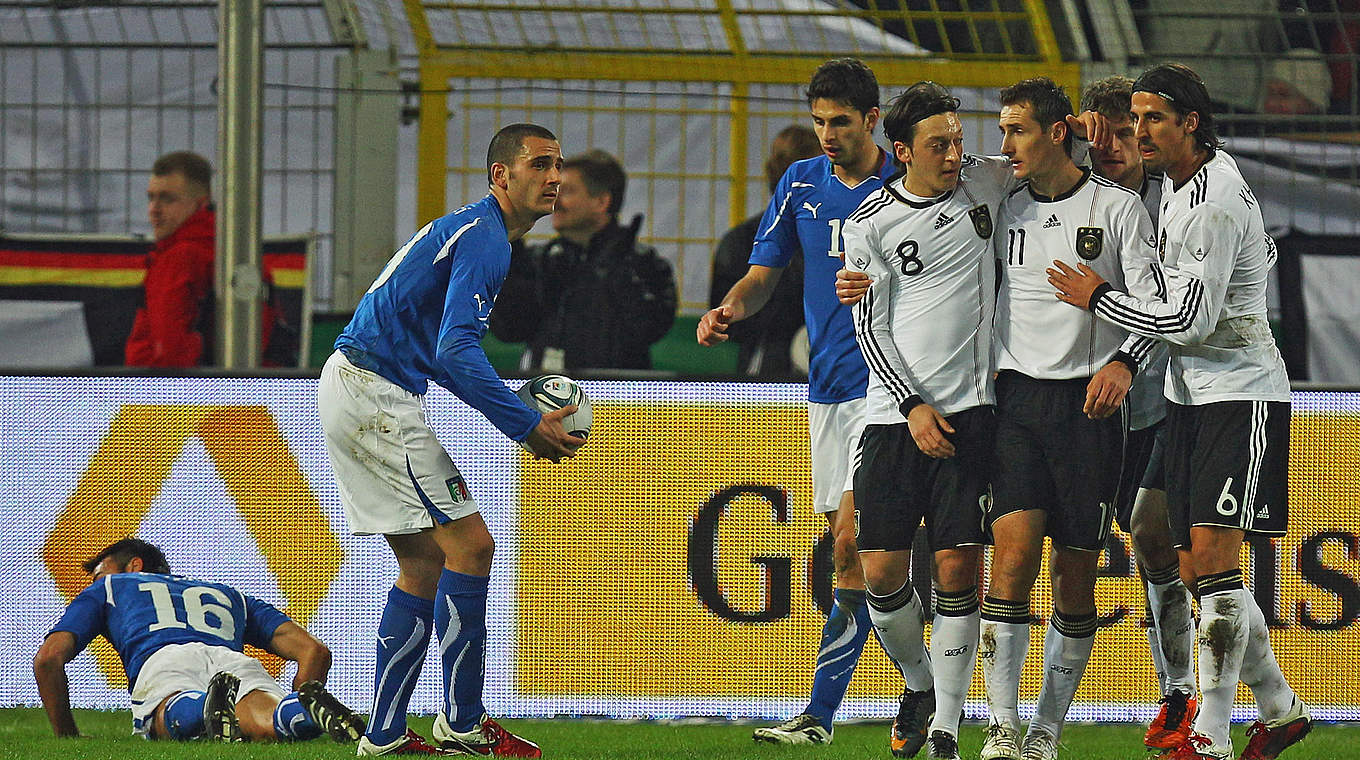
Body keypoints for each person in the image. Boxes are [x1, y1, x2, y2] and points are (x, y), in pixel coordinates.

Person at [1048, 62, 1313, 760]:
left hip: (1239, 393)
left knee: (1219, 573)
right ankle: (1280, 709)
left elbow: (1191, 320)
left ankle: (1210, 736)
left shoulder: (1213, 199)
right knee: (1181, 555)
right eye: (1132, 121)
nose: (1138, 134)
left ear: (1190, 122)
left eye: (1153, 120)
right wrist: (1077, 128)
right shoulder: (1181, 182)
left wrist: (1098, 299)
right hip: (1190, 396)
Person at [318, 122, 585, 757]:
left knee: (424, 561)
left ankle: (383, 736)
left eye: (558, 165)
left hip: (361, 386)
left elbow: (442, 354)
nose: (554, 177)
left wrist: (516, 403)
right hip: (374, 393)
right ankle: (463, 725)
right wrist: (524, 423)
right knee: (473, 544)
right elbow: (456, 348)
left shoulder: (472, 231)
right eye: (540, 165)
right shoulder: (488, 241)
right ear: (503, 175)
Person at [698, 58, 936, 754]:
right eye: (818, 121)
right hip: (828, 390)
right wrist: (730, 308)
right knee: (853, 562)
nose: (827, 134)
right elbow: (763, 274)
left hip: (894, 389)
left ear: (871, 119)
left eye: (840, 121)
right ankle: (916, 689)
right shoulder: (799, 184)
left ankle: (825, 712)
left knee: (852, 547)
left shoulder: (911, 182)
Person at [978, 76, 1160, 760]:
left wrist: (1126, 363)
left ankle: (1047, 730)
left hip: (1089, 410)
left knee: (1074, 575)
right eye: (1002, 131)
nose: (1006, 145)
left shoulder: (1116, 209)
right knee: (1014, 558)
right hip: (1018, 404)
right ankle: (1001, 725)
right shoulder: (1004, 205)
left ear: (1057, 132)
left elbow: (1153, 306)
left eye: (1018, 130)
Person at [840, 82, 1015, 760]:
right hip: (893, 417)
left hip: (972, 414)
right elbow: (870, 329)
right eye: (938, 145)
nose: (953, 155)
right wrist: (911, 406)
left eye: (957, 140)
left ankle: (946, 721)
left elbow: (1051, 162)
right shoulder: (871, 223)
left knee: (955, 564)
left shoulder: (986, 183)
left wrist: (1080, 126)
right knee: (878, 569)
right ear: (903, 151)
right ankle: (919, 683)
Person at [1082, 75, 1199, 753]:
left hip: (1162, 401)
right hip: (1084, 408)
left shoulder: (1176, 197)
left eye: (1127, 132)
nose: (1115, 148)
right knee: (1069, 548)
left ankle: (1177, 693)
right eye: (1101, 136)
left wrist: (1128, 359)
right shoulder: (1065, 193)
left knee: (1156, 538)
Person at [32, 538, 363, 744]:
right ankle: (302, 710)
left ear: (135, 566)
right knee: (269, 718)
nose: (95, 582)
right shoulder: (229, 594)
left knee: (164, 715)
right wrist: (304, 686)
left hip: (163, 658)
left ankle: (201, 709)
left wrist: (67, 736)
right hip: (231, 660)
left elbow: (48, 659)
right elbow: (313, 650)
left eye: (100, 573)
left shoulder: (109, 588)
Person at [489, 149, 675, 372]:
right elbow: (509, 330)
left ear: (601, 202)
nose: (554, 201)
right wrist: (510, 250)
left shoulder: (644, 264)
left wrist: (617, 271)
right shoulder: (541, 261)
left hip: (617, 400)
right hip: (547, 398)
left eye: (566, 191)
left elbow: (648, 328)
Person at [708, 125, 820, 377]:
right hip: (771, 370)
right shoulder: (744, 241)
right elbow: (726, 321)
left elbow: (724, 322)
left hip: (771, 372)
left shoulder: (740, 239)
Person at [125, 151, 215, 367]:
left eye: (167, 199)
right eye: (151, 197)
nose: (154, 210)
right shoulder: (226, 248)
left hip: (162, 393)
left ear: (201, 204)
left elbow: (169, 354)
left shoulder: (178, 258)